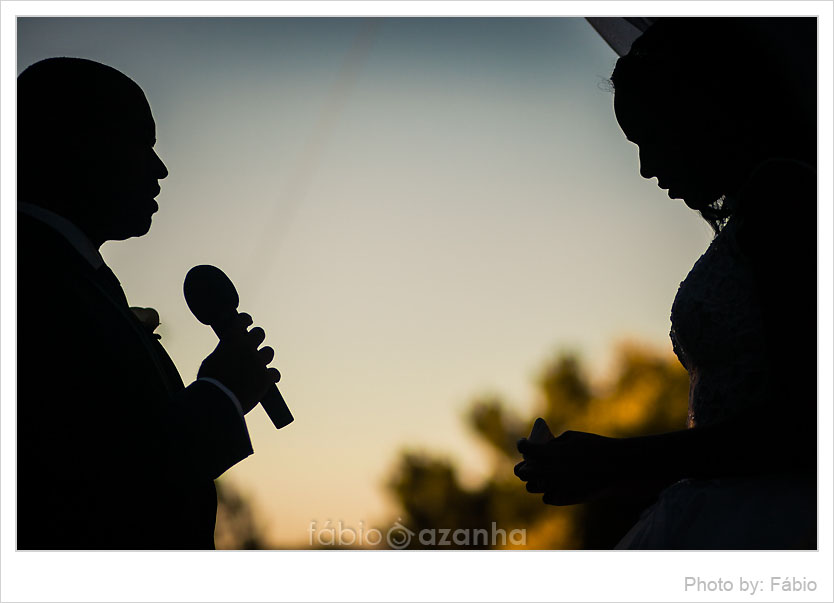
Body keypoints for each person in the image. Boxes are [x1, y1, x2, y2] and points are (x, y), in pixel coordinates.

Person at [514, 18, 817, 549]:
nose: (646, 168)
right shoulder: (763, 207)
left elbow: (801, 426)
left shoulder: (782, 199)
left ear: (701, 117)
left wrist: (616, 459)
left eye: (650, 137)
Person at [17, 57, 281, 549]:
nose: (160, 169)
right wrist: (219, 397)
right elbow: (92, 485)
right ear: (76, 143)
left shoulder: (75, 277)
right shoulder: (31, 284)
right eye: (142, 143)